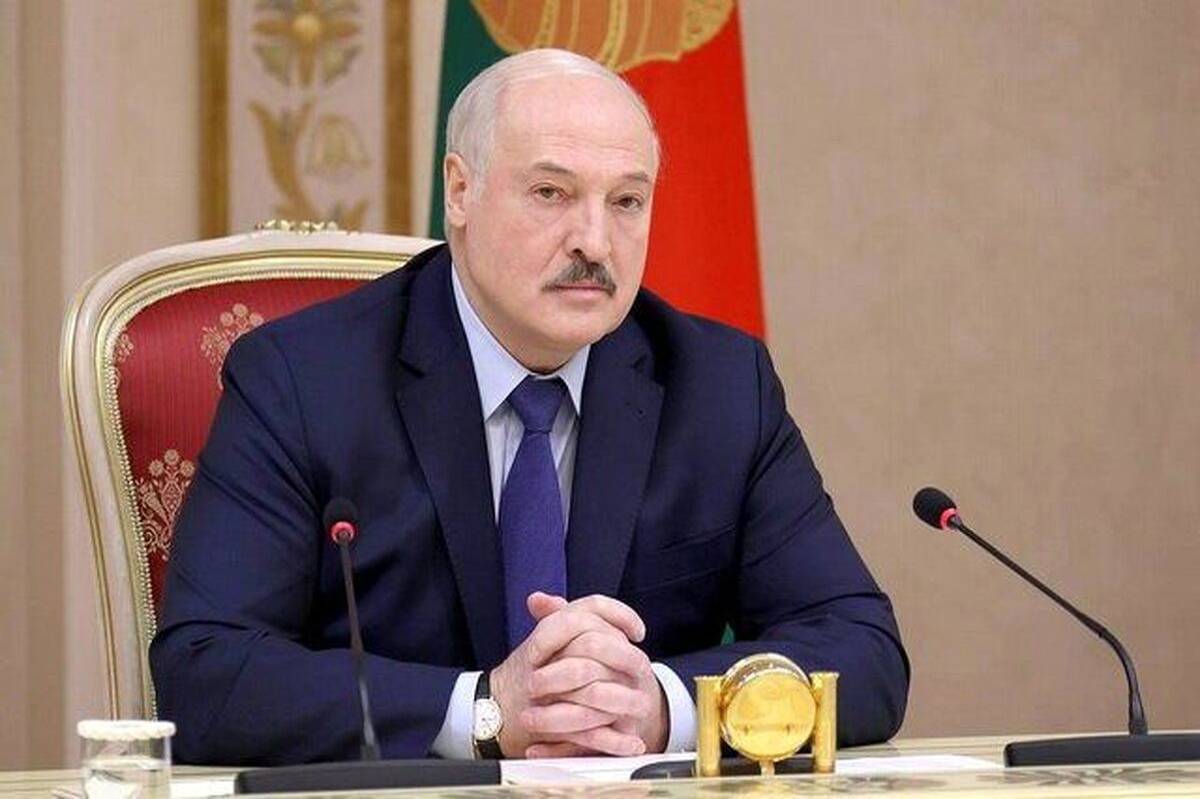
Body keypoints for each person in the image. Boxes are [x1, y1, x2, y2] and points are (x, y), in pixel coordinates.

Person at [151, 48, 908, 765]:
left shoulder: (718, 384)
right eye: (551, 193)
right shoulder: (304, 379)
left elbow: (864, 649)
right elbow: (206, 671)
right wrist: (484, 712)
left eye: (627, 201)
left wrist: (661, 707)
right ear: (460, 192)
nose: (595, 243)